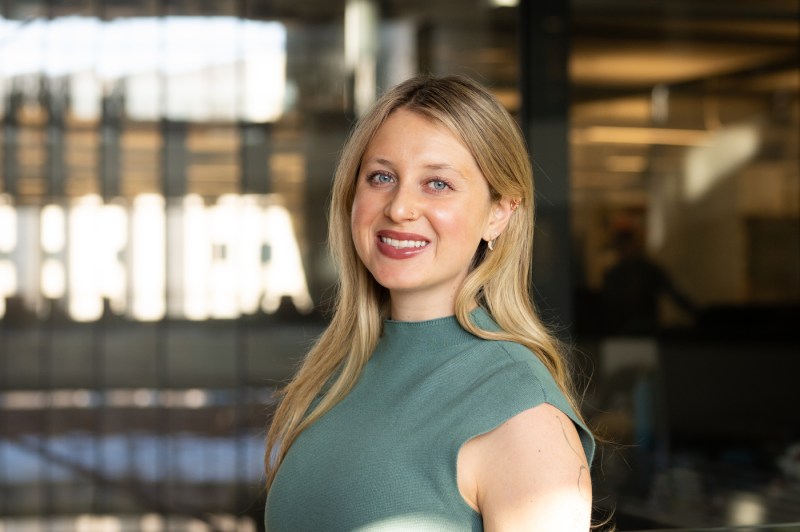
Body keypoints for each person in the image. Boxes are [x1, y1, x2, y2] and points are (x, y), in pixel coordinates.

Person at [264, 74, 595, 531]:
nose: (399, 207)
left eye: (437, 183)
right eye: (382, 177)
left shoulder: (523, 412)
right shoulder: (337, 372)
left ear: (499, 212)